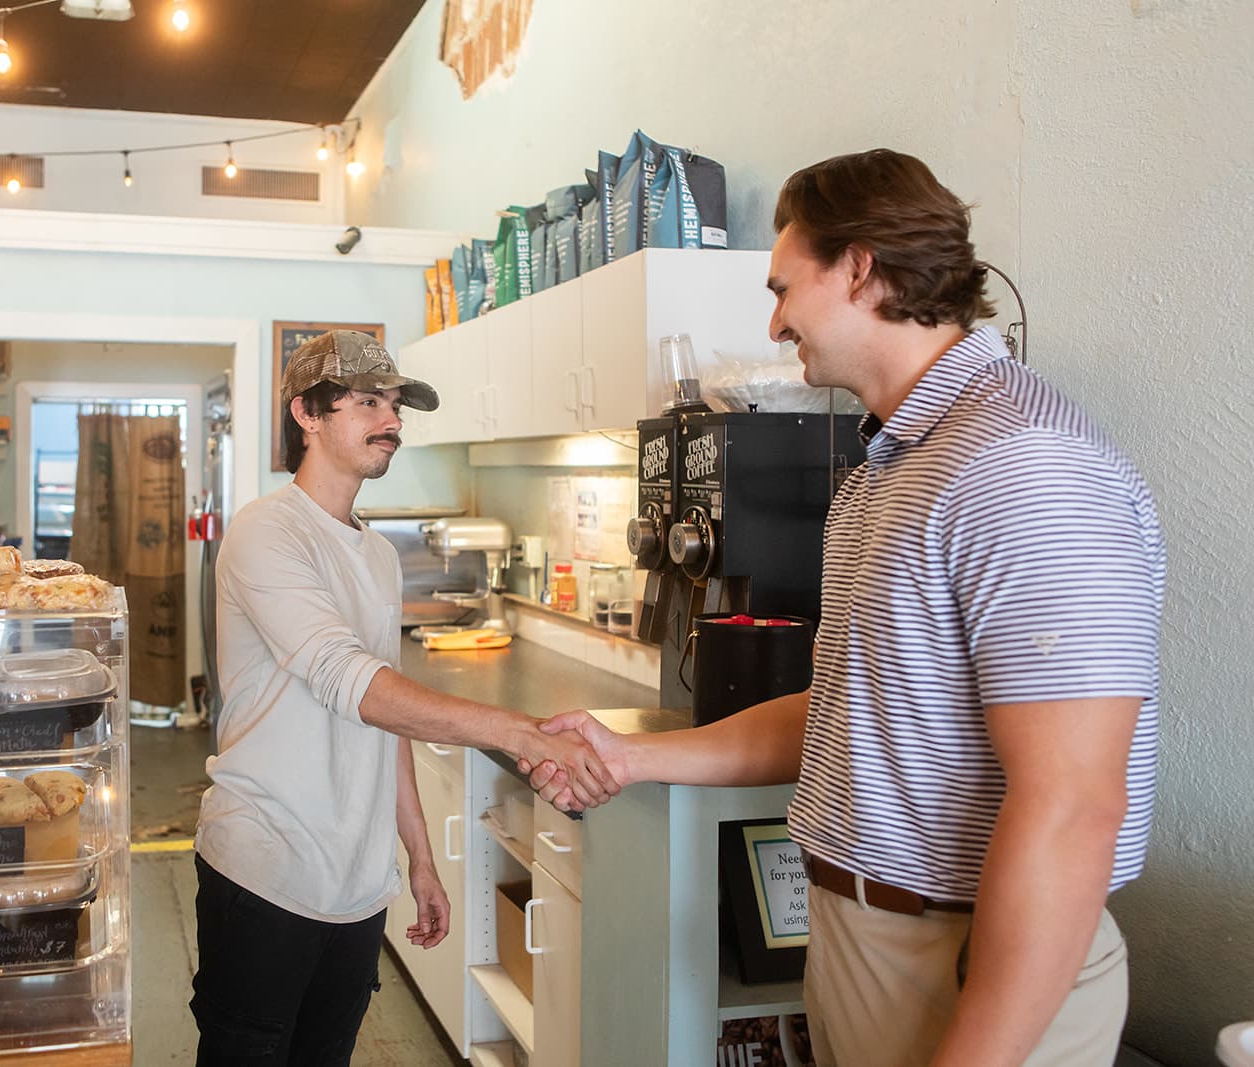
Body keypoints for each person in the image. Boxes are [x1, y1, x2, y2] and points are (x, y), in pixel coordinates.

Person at [524, 150, 1164, 1067]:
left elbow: (1072, 807)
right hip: (871, 941)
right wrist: (631, 755)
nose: (776, 320)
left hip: (975, 961)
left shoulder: (1022, 464)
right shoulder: (891, 467)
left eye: (785, 287)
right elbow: (844, 712)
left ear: (860, 267)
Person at [191, 329, 617, 1065]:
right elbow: (351, 682)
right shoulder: (267, 531)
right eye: (366, 402)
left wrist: (419, 857)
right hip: (265, 869)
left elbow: (384, 728)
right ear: (307, 414)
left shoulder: (380, 554)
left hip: (357, 885)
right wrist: (526, 733)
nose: (390, 419)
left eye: (394, 404)